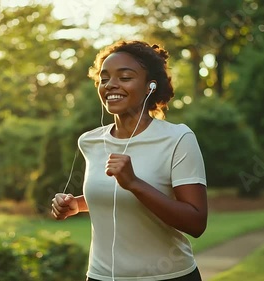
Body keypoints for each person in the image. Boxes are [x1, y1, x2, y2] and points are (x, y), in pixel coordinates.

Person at [51, 40, 208, 281]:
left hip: (168, 276)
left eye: (124, 77)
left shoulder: (178, 138)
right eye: (104, 79)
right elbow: (114, 195)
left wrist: (135, 183)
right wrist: (77, 205)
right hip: (101, 276)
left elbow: (196, 222)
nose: (111, 85)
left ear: (150, 86)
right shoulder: (89, 142)